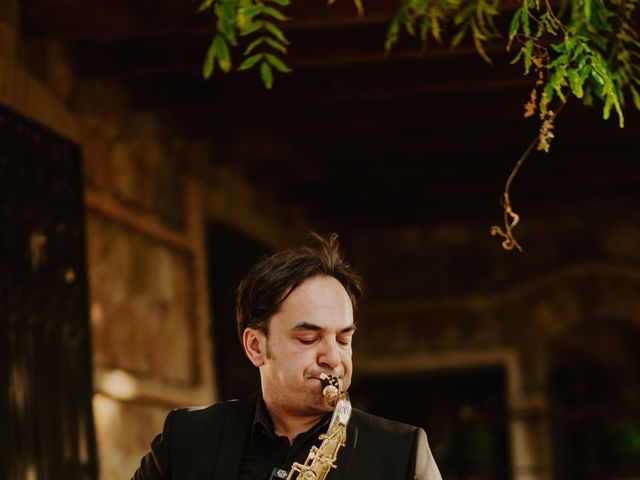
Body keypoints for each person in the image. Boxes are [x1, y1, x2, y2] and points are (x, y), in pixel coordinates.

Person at [132, 233, 442, 480]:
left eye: (344, 338)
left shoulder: (402, 452)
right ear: (255, 346)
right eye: (309, 338)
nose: (334, 358)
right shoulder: (187, 438)